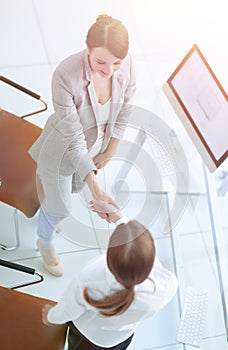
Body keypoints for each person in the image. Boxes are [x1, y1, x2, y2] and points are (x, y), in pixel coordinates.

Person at [28, 14, 136, 276]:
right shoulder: (66, 75)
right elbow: (74, 136)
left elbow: (126, 105)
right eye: (100, 62)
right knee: (60, 208)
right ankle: (44, 242)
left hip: (95, 146)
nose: (109, 71)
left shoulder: (126, 64)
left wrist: (111, 148)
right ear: (87, 49)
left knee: (69, 193)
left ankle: (46, 189)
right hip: (64, 147)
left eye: (116, 63)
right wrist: (97, 188)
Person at [42, 200, 178, 350]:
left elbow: (69, 309)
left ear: (109, 257)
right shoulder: (164, 286)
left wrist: (51, 316)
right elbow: (135, 250)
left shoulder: (91, 277)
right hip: (121, 339)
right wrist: (118, 217)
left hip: (87, 338)